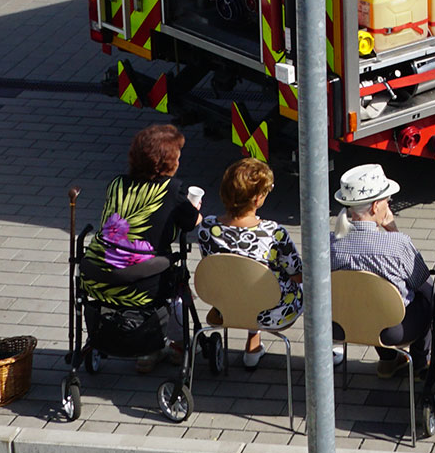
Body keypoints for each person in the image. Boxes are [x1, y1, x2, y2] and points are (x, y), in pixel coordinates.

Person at [79, 122, 204, 370]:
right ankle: (177, 346)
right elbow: (190, 223)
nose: (179, 161)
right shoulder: (172, 190)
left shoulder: (116, 184)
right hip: (142, 286)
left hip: (97, 278)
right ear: (168, 161)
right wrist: (196, 211)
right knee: (177, 289)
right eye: (177, 156)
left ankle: (148, 353)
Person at [331, 163, 435, 377]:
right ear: (375, 206)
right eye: (388, 200)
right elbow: (422, 281)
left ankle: (388, 361)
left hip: (342, 324)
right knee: (428, 294)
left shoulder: (329, 245)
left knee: (367, 300)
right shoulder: (397, 244)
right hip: (393, 332)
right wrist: (394, 231)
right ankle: (420, 364)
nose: (390, 204)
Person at [196, 156, 302, 369]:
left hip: (226, 306)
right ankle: (328, 353)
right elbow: (297, 274)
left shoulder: (207, 228)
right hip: (271, 312)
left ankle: (253, 343)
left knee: (244, 279)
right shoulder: (273, 233)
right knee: (306, 283)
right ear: (257, 199)